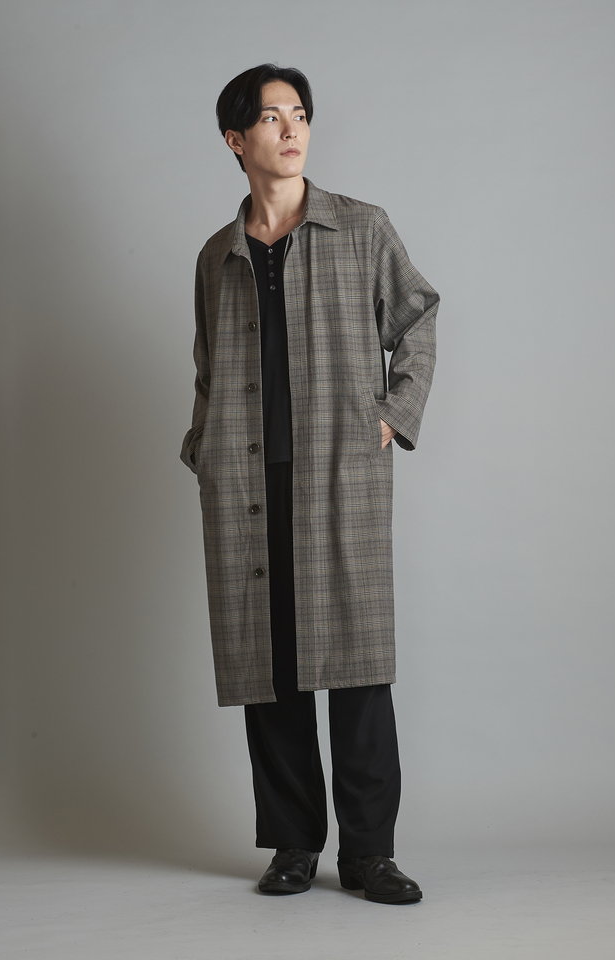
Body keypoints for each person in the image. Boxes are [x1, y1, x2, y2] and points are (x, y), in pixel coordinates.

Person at [180, 63, 439, 904]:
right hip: (248, 482)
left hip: (338, 471)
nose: (292, 129)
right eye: (271, 117)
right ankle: (293, 845)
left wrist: (393, 415)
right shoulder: (217, 256)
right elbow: (210, 370)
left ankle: (369, 854)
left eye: (300, 114)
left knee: (358, 667)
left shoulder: (360, 228)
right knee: (271, 668)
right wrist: (203, 448)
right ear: (235, 139)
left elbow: (419, 317)